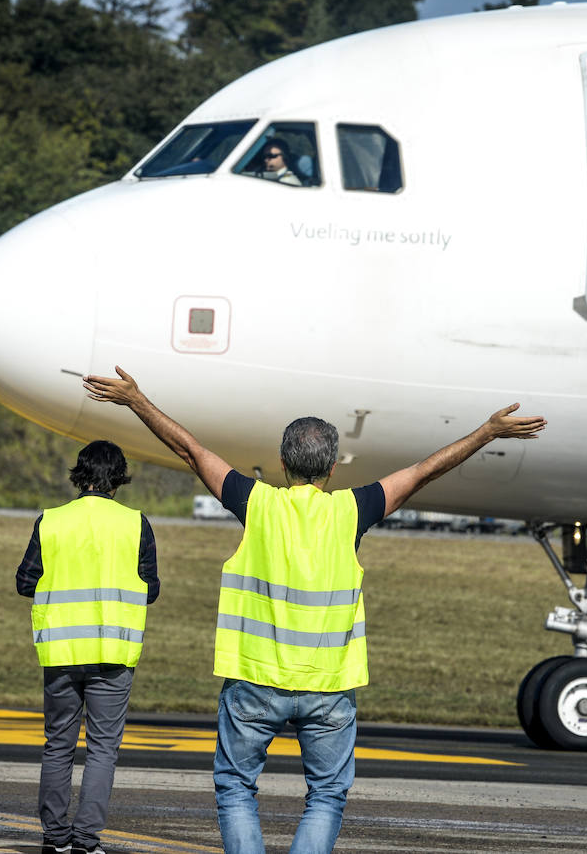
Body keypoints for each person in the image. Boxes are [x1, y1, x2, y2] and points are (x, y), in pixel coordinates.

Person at [82, 366, 545, 854]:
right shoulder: (353, 510)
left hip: (255, 681)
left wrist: (136, 399)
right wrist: (487, 431)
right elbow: (424, 471)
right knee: (326, 795)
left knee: (236, 790)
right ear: (331, 469)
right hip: (327, 687)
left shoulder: (256, 503)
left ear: (283, 463)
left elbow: (191, 451)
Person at [15, 440, 160, 854]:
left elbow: (26, 581)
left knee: (58, 745)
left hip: (60, 653)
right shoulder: (136, 524)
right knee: (102, 749)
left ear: (79, 474)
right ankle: (86, 841)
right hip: (113, 654)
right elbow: (149, 590)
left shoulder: (52, 521)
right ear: (119, 478)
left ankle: (54, 838)